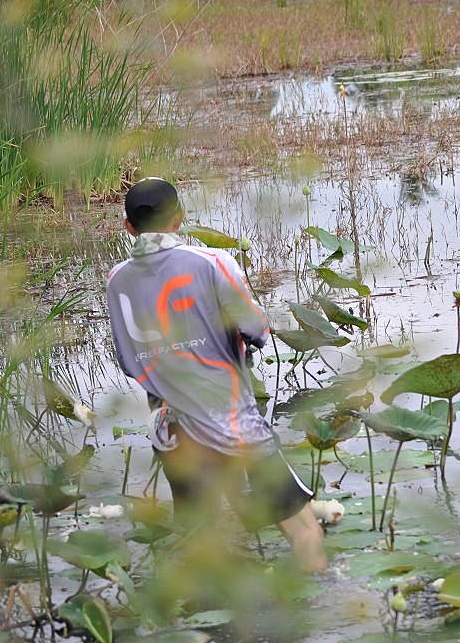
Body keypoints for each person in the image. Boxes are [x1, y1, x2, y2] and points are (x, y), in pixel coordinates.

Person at [106, 177, 327, 572]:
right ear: (179, 217)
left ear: (128, 227)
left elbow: (127, 360)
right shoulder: (213, 263)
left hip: (171, 430)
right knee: (305, 530)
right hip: (234, 424)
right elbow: (256, 330)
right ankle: (322, 605)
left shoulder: (117, 279)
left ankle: (201, 627)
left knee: (198, 545)